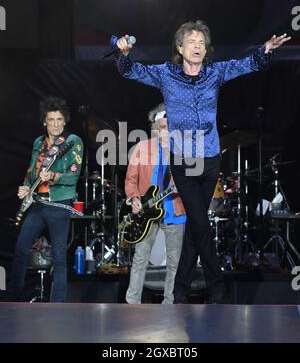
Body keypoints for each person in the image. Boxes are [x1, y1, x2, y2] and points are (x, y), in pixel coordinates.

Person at [116, 20, 291, 304]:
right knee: (200, 223)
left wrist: (266, 49)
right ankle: (217, 285)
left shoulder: (214, 72)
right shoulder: (166, 74)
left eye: (202, 42)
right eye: (192, 42)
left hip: (209, 160)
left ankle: (181, 290)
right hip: (183, 161)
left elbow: (246, 65)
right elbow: (132, 71)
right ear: (180, 47)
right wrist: (123, 54)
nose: (198, 46)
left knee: (196, 229)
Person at [7, 96, 83, 302]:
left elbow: (73, 176)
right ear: (44, 122)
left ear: (65, 121)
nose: (56, 124)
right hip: (38, 203)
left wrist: (54, 176)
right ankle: (13, 299)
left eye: (60, 120)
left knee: (59, 257)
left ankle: (57, 304)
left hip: (59, 204)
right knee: (21, 248)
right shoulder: (39, 143)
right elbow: (32, 171)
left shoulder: (72, 142)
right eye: (52, 120)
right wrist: (25, 187)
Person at [124, 103, 186, 304]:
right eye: (161, 127)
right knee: (140, 258)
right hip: (147, 211)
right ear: (154, 129)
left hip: (174, 210)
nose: (165, 131)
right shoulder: (141, 148)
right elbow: (131, 179)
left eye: (169, 127)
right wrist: (134, 198)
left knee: (175, 263)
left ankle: (170, 304)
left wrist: (184, 187)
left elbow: (193, 180)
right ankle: (132, 303)